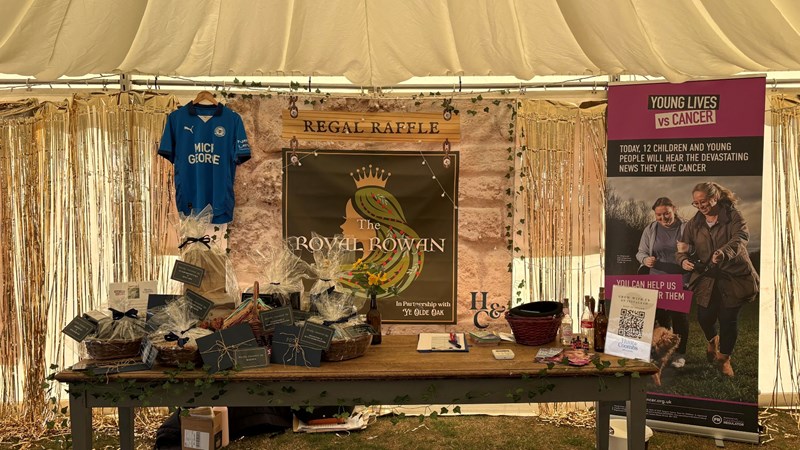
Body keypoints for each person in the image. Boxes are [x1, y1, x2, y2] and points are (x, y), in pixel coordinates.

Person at [676, 182, 759, 377]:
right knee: (704, 317)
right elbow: (681, 248)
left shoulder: (733, 216)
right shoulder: (693, 224)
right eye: (696, 203)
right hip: (707, 277)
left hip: (734, 276)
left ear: (715, 198)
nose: (700, 206)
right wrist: (683, 260)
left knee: (728, 319)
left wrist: (724, 252)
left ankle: (724, 359)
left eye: (703, 201)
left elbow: (741, 237)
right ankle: (713, 340)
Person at [339, 165, 423, 298]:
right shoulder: (340, 273)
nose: (342, 226)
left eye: (348, 219)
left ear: (371, 223)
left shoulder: (345, 276)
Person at [636, 197, 690, 369]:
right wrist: (645, 260)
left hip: (680, 279)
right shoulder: (650, 229)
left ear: (674, 209)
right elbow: (640, 252)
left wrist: (689, 250)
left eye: (666, 213)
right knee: (659, 318)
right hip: (656, 280)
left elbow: (699, 250)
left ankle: (679, 355)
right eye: (658, 215)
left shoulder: (687, 227)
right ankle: (660, 353)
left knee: (680, 318)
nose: (663, 218)